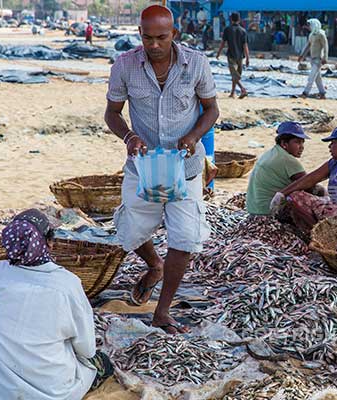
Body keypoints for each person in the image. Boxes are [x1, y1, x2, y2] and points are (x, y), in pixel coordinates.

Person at [104, 5, 219, 334]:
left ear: (175, 35)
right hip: (144, 167)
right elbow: (112, 113)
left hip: (186, 169)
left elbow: (211, 109)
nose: (154, 45)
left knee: (183, 238)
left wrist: (194, 137)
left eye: (162, 38)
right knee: (130, 230)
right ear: (140, 35)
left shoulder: (196, 63)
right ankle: (154, 264)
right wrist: (128, 136)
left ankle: (163, 310)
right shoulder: (125, 65)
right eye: (148, 38)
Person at [0, 210, 114, 398]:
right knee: (103, 364)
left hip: (0, 387)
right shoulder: (67, 284)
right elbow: (87, 349)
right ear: (48, 243)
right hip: (53, 391)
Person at [246, 122, 311, 216]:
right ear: (284, 143)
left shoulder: (270, 153)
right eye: (297, 142)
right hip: (268, 212)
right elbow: (309, 185)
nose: (301, 147)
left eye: (302, 142)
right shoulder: (287, 160)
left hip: (253, 209)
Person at [216, 12, 250, 98]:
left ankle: (243, 89)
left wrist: (218, 53)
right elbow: (245, 45)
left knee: (234, 75)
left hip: (231, 55)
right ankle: (232, 93)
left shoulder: (227, 29)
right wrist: (247, 58)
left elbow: (223, 43)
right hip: (240, 56)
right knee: (236, 74)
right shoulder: (243, 31)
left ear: (231, 19)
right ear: (239, 20)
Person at [298, 18, 328, 99]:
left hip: (319, 59)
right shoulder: (311, 35)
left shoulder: (321, 34)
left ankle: (305, 93)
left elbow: (325, 46)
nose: (308, 27)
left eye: (309, 25)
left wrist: (325, 57)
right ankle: (322, 93)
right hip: (313, 58)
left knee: (311, 77)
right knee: (317, 78)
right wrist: (302, 55)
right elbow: (308, 45)